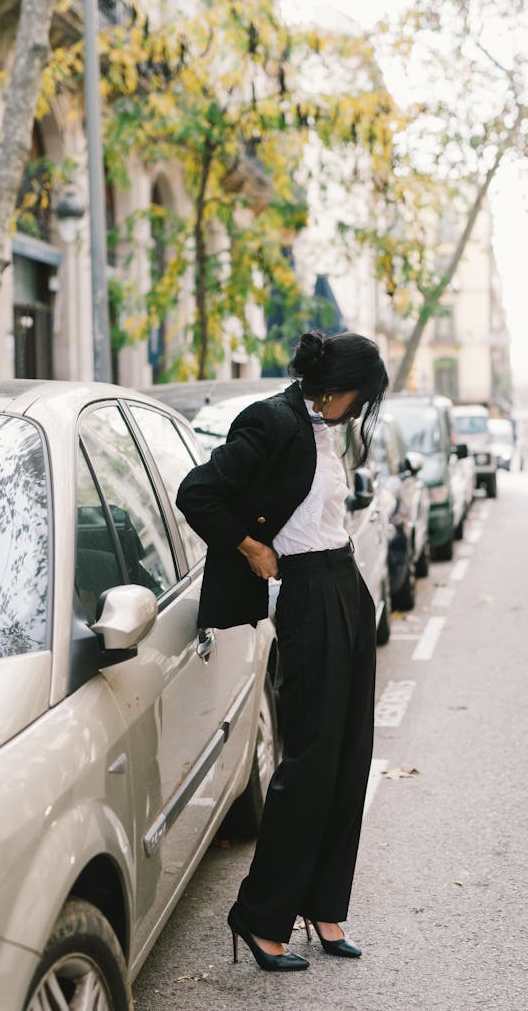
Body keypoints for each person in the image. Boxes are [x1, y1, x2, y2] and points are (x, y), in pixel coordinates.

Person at [176, 330, 388, 972]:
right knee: (310, 761)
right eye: (360, 397)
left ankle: (324, 906)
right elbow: (197, 491)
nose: (359, 409)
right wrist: (250, 548)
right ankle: (262, 915)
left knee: (350, 755)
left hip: (345, 586)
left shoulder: (325, 429)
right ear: (340, 384)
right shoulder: (271, 420)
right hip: (308, 594)